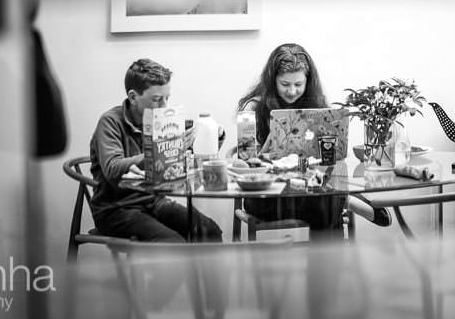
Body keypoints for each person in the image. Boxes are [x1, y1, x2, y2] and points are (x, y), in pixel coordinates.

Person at [90, 58, 222, 242]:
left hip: (153, 201)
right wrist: (155, 152)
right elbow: (112, 168)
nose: (164, 106)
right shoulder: (110, 122)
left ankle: (201, 272)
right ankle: (175, 271)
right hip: (116, 208)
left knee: (209, 230)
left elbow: (191, 149)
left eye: (167, 98)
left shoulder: (161, 120)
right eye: (157, 99)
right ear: (133, 96)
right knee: (172, 242)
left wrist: (213, 134)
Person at [238, 43, 345, 235]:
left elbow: (328, 158)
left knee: (328, 201)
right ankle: (329, 260)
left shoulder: (316, 106)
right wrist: (261, 155)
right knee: (328, 204)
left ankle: (326, 264)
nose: (292, 91)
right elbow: (244, 160)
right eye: (285, 84)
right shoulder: (253, 108)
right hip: (267, 192)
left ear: (308, 82)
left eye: (298, 84)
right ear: (272, 81)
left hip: (305, 187)